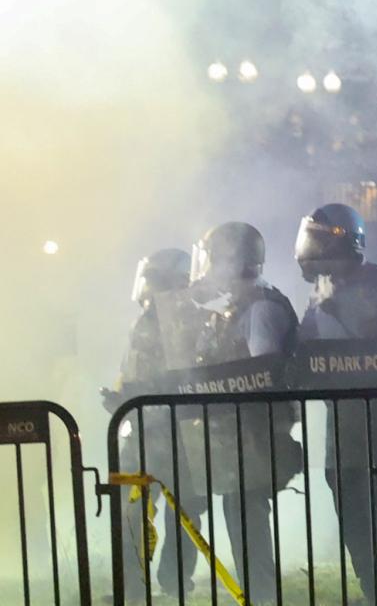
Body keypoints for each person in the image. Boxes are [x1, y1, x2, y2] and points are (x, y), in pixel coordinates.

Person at [295, 203, 377, 602]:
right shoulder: (322, 290)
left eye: (319, 239)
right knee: (345, 494)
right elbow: (306, 342)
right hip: (342, 414)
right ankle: (371, 583)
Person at [188, 221, 301, 605]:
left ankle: (263, 596)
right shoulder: (239, 306)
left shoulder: (261, 309)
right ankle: (257, 593)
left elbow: (260, 373)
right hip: (238, 430)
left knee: (247, 512)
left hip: (254, 430)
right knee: (238, 509)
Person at [104, 248, 199, 600]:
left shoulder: (188, 321)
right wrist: (120, 397)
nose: (147, 287)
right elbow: (131, 372)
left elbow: (181, 378)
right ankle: (131, 587)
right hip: (140, 430)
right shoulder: (143, 321)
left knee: (184, 513)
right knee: (131, 512)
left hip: (178, 434)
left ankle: (176, 583)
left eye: (154, 279)